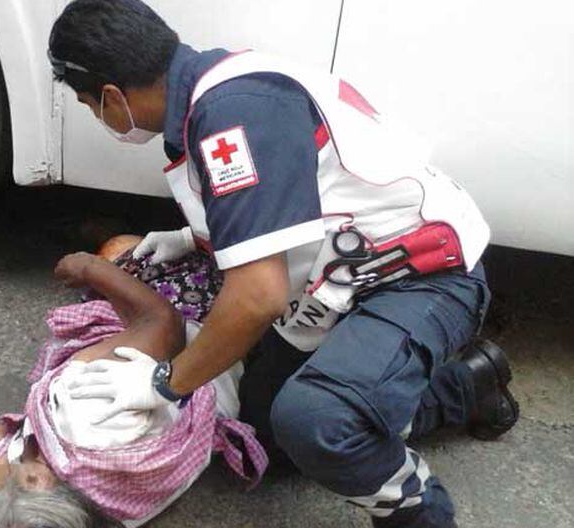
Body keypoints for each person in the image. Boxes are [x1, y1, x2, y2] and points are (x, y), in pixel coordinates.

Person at [46, 1, 519, 527]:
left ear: (113, 95)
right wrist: (190, 238)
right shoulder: (212, 92)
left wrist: (164, 383)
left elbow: (258, 296)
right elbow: (284, 199)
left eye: (91, 106)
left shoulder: (229, 118)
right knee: (266, 434)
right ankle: (467, 385)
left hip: (422, 276)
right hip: (343, 276)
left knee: (317, 422)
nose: (99, 118)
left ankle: (420, 513)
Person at [0, 244, 267, 528]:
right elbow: (164, 322)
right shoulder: (90, 419)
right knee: (120, 247)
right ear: (35, 480)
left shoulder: (83, 503)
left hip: (174, 362)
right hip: (207, 331)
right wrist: (89, 267)